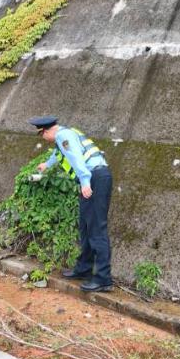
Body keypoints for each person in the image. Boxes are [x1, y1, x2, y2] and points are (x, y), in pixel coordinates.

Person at [29, 115, 113, 292]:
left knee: (96, 228)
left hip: (94, 178)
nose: (43, 139)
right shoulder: (65, 135)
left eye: (41, 135)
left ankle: (103, 279)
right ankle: (83, 269)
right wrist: (47, 164)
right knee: (85, 226)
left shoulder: (63, 136)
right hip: (93, 177)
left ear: (45, 131)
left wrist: (85, 181)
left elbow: (75, 157)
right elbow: (60, 153)